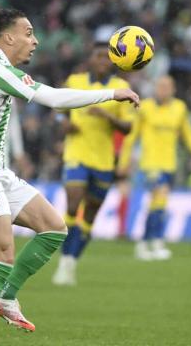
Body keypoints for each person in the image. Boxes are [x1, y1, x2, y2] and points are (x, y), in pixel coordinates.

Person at [0, 8, 139, 346]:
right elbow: (53, 98)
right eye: (28, 33)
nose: (35, 40)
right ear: (8, 36)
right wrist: (113, 93)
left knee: (54, 227)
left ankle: (6, 296)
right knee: (1, 255)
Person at [51, 42, 136, 286]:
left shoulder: (121, 88)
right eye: (97, 56)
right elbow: (57, 108)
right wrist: (62, 123)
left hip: (104, 160)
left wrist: (108, 116)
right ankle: (64, 258)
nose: (102, 61)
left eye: (106, 57)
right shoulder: (75, 81)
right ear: (90, 59)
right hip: (76, 154)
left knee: (90, 215)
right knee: (73, 204)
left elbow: (129, 127)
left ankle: (71, 262)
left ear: (113, 61)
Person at [118, 75, 191, 260]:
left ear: (174, 89)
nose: (163, 90)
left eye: (167, 86)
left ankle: (145, 243)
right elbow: (131, 137)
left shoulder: (179, 108)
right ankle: (155, 240)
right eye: (160, 86)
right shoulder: (144, 108)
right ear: (155, 88)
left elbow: (189, 135)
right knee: (160, 198)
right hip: (150, 164)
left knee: (158, 202)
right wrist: (124, 162)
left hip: (170, 164)